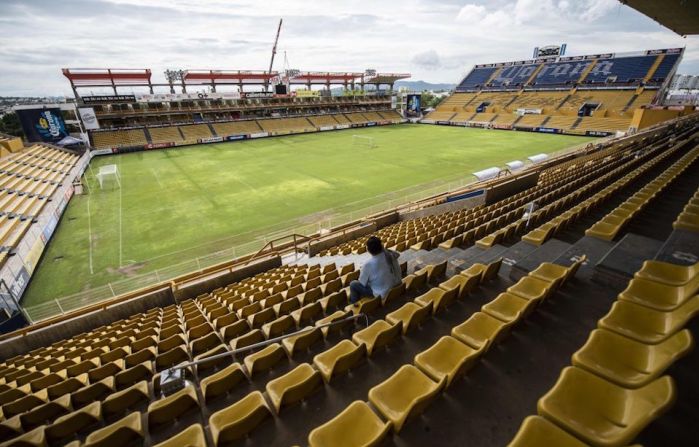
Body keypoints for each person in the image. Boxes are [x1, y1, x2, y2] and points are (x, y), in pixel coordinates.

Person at [349, 236, 402, 304]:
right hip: (397, 285)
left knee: (353, 284)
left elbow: (362, 283)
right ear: (381, 246)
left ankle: (354, 306)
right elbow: (397, 254)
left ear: (368, 250)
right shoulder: (390, 254)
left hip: (383, 293)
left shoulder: (368, 265)